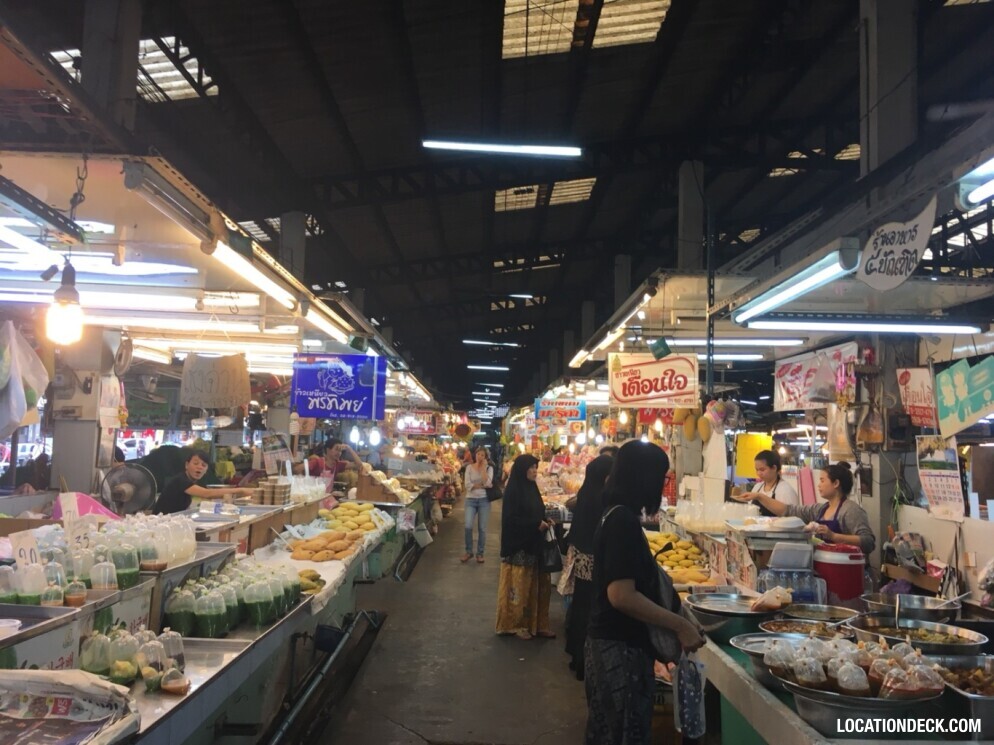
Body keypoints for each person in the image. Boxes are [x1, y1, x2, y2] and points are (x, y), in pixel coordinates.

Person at [585, 441, 705, 744]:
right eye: (662, 478)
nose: (663, 486)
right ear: (644, 478)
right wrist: (680, 625)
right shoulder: (622, 521)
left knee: (611, 731)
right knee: (623, 732)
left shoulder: (616, 514)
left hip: (613, 644)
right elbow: (621, 595)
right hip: (618, 650)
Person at [734, 461, 875, 554]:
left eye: (822, 480)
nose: (818, 485)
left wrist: (834, 536)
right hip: (825, 567)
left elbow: (868, 542)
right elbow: (788, 511)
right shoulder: (820, 509)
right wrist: (759, 497)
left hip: (848, 573)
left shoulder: (850, 510)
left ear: (836, 483)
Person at [563, 453, 614, 680]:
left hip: (582, 555)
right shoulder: (601, 498)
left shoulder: (586, 492)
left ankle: (577, 656)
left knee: (581, 605)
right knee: (591, 609)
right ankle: (585, 661)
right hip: (593, 559)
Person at [496, 454, 555, 640]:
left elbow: (536, 511)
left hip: (534, 545)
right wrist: (535, 525)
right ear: (522, 470)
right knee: (520, 587)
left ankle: (538, 624)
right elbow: (511, 520)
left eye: (536, 467)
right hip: (519, 546)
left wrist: (545, 520)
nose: (535, 471)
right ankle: (516, 624)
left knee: (538, 586)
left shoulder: (532, 488)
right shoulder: (513, 491)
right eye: (531, 468)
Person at [153, 451, 254, 515]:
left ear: (206, 470)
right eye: (195, 463)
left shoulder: (190, 481)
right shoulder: (180, 480)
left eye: (204, 465)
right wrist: (240, 490)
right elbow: (207, 493)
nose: (199, 467)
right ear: (187, 465)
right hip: (161, 524)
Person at [462, 447, 493, 563]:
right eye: (478, 454)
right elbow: (467, 484)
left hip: (484, 500)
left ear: (485, 457)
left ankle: (480, 553)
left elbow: (488, 483)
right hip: (470, 500)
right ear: (475, 455)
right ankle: (468, 551)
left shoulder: (489, 468)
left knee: (482, 528)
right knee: (468, 526)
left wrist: (484, 469)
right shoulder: (469, 468)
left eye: (482, 455)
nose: (480, 457)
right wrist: (479, 485)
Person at [750, 449, 799, 517]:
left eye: (762, 469)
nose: (758, 473)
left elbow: (793, 518)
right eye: (757, 470)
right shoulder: (757, 487)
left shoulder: (786, 491)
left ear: (774, 468)